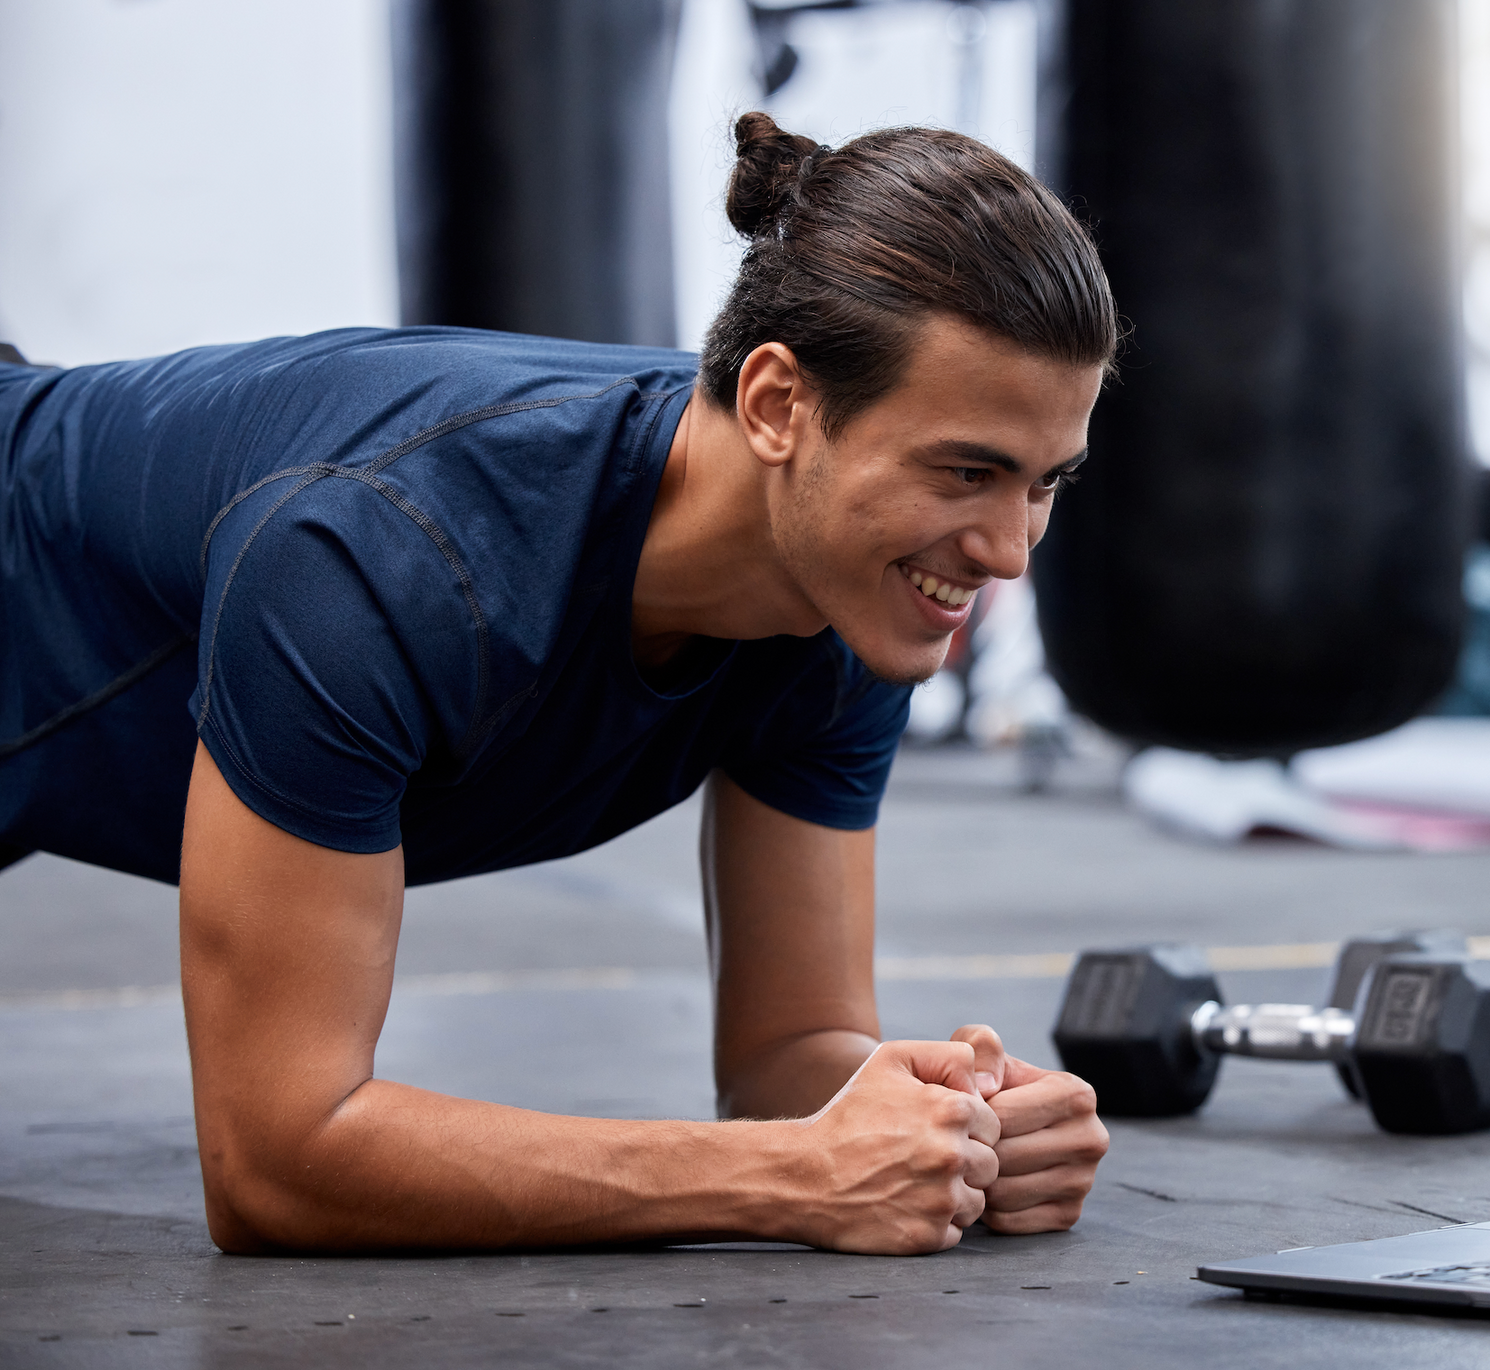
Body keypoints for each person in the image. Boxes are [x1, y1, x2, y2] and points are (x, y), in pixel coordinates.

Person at [0, 113, 1116, 1254]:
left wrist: (959, 1124)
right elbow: (277, 1158)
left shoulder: (848, 592)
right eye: (969, 471)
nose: (1009, 551)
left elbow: (795, 1044)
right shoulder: (380, 555)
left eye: (1043, 482)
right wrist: (788, 1173)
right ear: (781, 405)